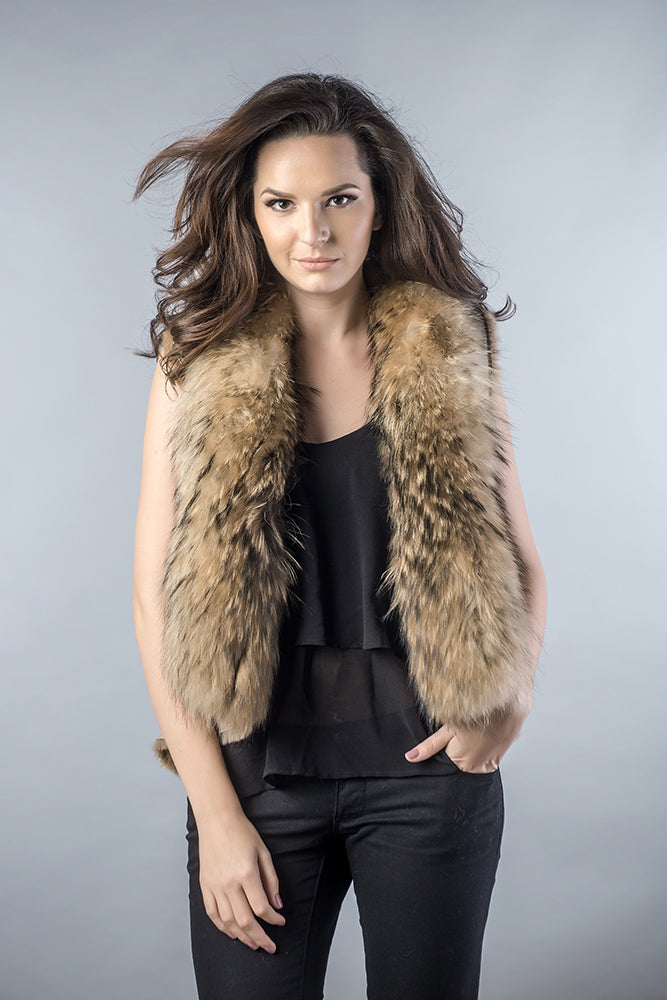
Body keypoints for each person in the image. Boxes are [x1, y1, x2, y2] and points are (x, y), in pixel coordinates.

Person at [132, 72, 547, 1000]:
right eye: (282, 203)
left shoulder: (452, 338)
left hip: (428, 773)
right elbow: (154, 600)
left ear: (378, 206)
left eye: (339, 200)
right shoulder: (194, 356)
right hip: (256, 780)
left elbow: (518, 552)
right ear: (250, 213)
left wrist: (511, 695)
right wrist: (216, 814)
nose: (312, 232)